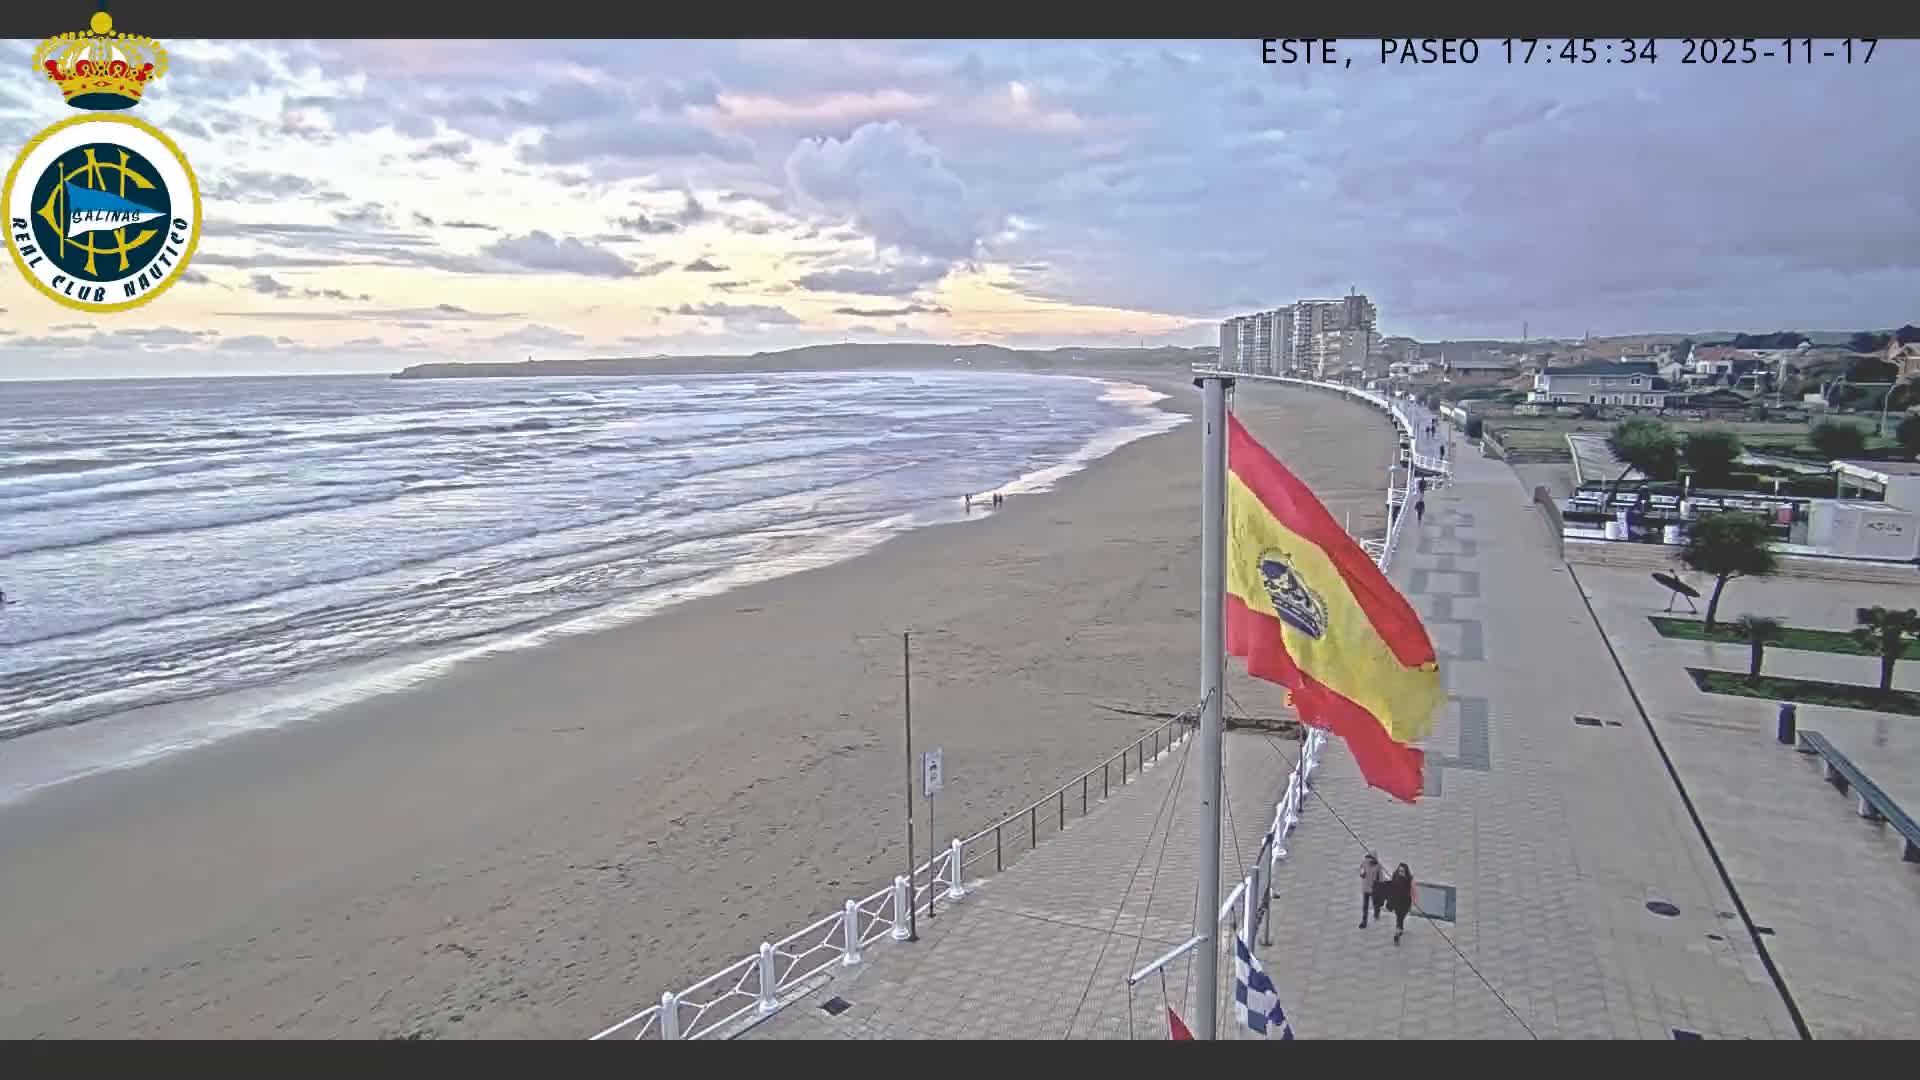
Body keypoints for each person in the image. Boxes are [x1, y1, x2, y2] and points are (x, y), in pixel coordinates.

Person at [1384, 863, 1415, 943]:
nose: (1400, 872)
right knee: (1399, 917)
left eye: (1402, 871)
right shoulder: (1395, 877)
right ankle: (1397, 933)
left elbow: (1412, 891)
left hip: (1406, 902)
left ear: (1406, 871)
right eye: (1399, 870)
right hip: (1397, 902)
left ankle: (1400, 929)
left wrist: (1413, 900)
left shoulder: (1409, 879)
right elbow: (1392, 888)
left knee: (1401, 917)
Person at [1357, 854, 1384, 928]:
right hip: (1367, 888)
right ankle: (1365, 920)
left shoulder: (1377, 866)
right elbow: (1361, 872)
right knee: (1367, 905)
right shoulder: (1365, 863)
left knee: (1373, 903)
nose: (1370, 860)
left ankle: (1375, 914)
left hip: (1372, 888)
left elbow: (1381, 878)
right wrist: (1362, 873)